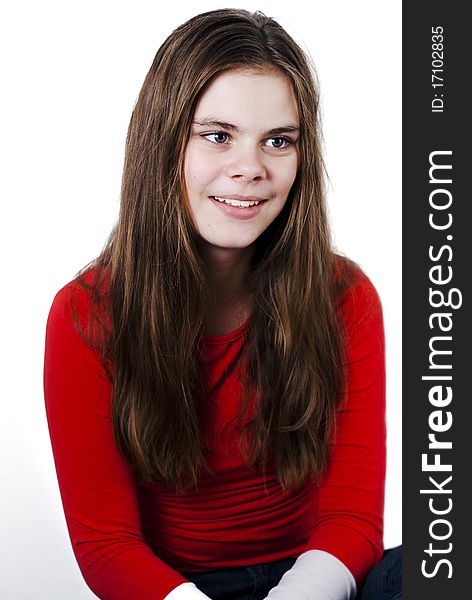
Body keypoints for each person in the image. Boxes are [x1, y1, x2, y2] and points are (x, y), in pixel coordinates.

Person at [43, 8, 401, 600]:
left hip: (318, 579)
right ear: (163, 144)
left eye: (278, 141)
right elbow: (107, 545)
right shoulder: (86, 315)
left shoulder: (346, 297)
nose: (250, 169)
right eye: (217, 135)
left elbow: (352, 520)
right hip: (177, 589)